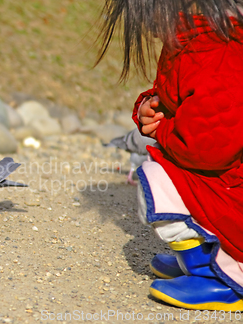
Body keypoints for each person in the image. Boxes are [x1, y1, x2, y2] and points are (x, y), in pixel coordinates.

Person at [96, 0, 243, 310]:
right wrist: (152, 107)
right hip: (230, 177)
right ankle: (208, 253)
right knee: (161, 165)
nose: (148, 29)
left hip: (233, 184)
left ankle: (225, 274)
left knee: (156, 179)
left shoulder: (218, 53)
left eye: (147, 16)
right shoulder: (198, 38)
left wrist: (162, 130)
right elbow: (182, 95)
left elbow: (207, 147)